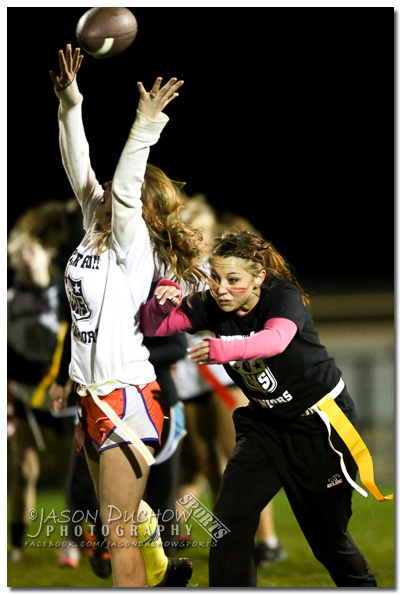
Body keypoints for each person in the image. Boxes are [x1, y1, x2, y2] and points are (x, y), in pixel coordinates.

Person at [140, 228, 388, 587]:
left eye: (233, 279)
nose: (221, 288)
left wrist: (221, 349)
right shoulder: (212, 303)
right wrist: (164, 299)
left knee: (327, 540)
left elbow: (274, 340)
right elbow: (153, 324)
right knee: (229, 523)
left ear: (259, 277)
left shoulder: (281, 295)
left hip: (320, 425)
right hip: (265, 428)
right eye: (214, 277)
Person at [49, 44, 206, 587]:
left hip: (125, 398)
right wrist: (70, 100)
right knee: (122, 529)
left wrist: (144, 127)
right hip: (93, 395)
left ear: (140, 205)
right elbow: (77, 161)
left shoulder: (133, 243)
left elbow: (125, 189)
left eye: (123, 190)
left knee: (117, 541)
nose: (109, 188)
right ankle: (157, 563)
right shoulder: (96, 223)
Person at [174, 195, 286, 566]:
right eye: (187, 229)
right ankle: (233, 536)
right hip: (190, 370)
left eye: (200, 229)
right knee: (207, 462)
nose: (194, 237)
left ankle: (266, 540)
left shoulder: (220, 270)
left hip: (227, 368)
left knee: (242, 457)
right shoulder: (174, 268)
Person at [7, 228, 71, 561]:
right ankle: (16, 544)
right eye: (19, 252)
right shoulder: (9, 300)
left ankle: (75, 539)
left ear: (47, 254)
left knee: (80, 467)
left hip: (65, 390)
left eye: (32, 249)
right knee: (23, 468)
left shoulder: (66, 291)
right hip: (28, 393)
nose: (26, 257)